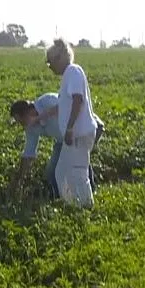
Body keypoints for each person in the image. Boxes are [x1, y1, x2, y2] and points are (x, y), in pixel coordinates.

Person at [10, 93, 104, 199]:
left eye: (21, 121)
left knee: (77, 160)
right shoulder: (31, 128)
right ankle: (57, 196)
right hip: (64, 139)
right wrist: (20, 179)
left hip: (87, 128)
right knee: (52, 171)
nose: (22, 125)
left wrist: (41, 116)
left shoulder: (47, 101)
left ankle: (88, 194)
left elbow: (67, 107)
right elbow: (29, 153)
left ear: (28, 112)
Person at [44, 38, 99, 208]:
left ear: (59, 58)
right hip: (74, 134)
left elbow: (78, 100)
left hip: (78, 133)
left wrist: (69, 128)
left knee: (78, 173)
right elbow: (64, 105)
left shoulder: (73, 71)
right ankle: (72, 205)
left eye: (50, 62)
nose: (50, 67)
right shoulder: (68, 74)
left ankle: (86, 207)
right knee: (61, 172)